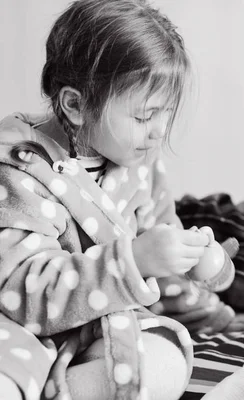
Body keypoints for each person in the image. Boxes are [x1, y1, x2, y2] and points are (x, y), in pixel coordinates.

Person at [0, 1, 224, 399]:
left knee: (163, 359)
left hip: (98, 327)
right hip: (21, 327)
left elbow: (161, 261)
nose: (158, 133)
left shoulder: (139, 165)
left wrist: (211, 306)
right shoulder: (19, 170)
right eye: (143, 117)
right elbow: (21, 293)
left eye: (165, 115)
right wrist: (131, 261)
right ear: (75, 105)